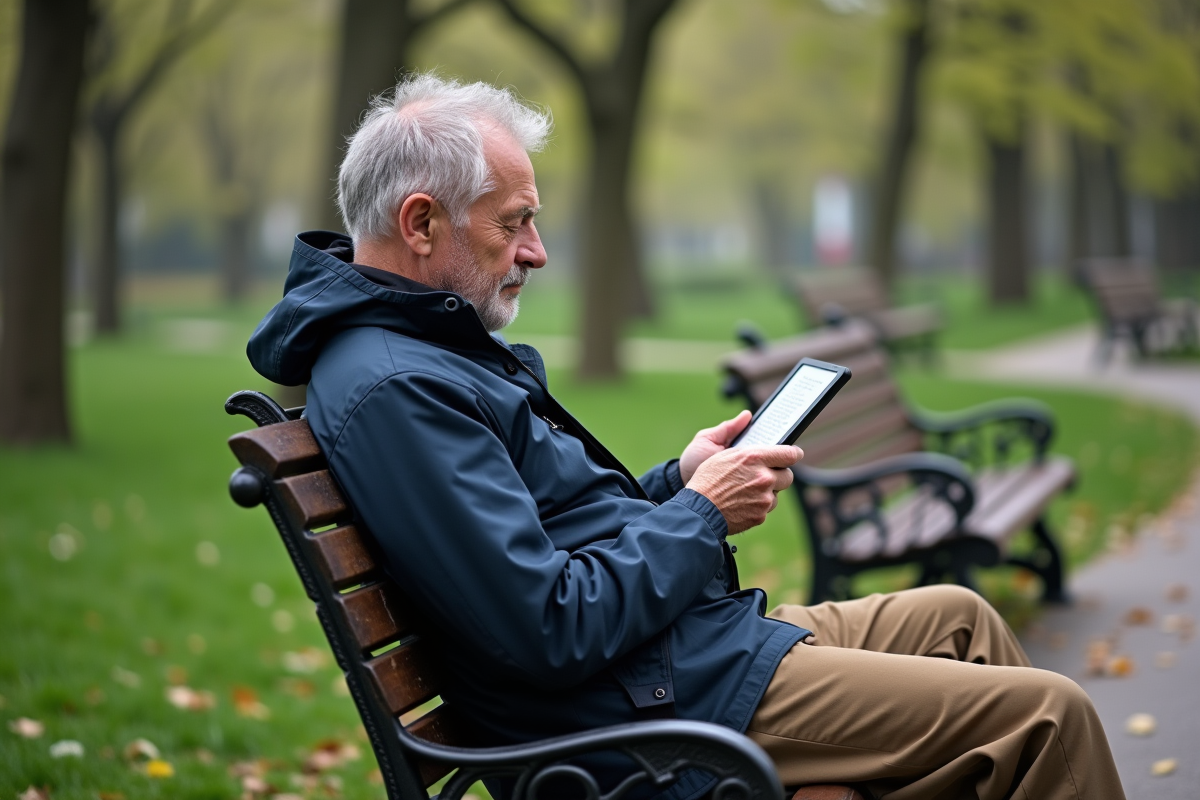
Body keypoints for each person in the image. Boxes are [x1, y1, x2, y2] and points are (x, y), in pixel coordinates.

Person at [247, 73, 1124, 800]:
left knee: (960, 620)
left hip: (670, 662)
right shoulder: (398, 385)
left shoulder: (425, 349)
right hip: (637, 721)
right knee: (1047, 716)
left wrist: (677, 482)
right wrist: (703, 515)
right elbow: (544, 626)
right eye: (513, 222)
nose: (537, 250)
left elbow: (558, 534)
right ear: (421, 222)